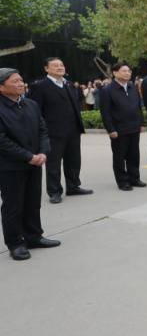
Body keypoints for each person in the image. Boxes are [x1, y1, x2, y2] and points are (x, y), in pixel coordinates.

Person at [0, 68, 62, 261]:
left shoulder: (31, 104)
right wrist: (28, 156)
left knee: (33, 202)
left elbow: (43, 130)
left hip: (35, 162)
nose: (21, 84)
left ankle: (34, 236)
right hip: (10, 166)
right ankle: (15, 243)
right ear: (1, 87)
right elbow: (2, 141)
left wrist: (43, 152)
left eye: (21, 80)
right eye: (15, 81)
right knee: (13, 206)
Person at [28, 57, 92, 204]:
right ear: (46, 69)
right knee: (53, 164)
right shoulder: (40, 86)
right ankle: (54, 191)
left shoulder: (69, 84)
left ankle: (73, 186)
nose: (60, 67)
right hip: (53, 132)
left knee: (74, 161)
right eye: (55, 65)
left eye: (61, 65)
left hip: (73, 130)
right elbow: (35, 112)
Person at [99, 63, 146, 191]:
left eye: (129, 71)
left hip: (134, 127)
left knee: (134, 155)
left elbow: (138, 107)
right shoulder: (107, 90)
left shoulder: (132, 87)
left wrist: (141, 123)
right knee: (119, 157)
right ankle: (123, 181)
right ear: (115, 73)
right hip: (119, 130)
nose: (127, 73)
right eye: (124, 71)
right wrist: (111, 129)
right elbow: (105, 112)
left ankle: (134, 178)